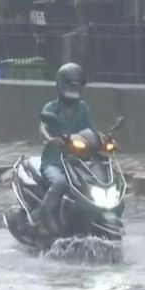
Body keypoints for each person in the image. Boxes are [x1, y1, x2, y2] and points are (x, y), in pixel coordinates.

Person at [33, 62, 94, 233]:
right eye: (69, 85)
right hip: (53, 161)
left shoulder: (83, 108)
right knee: (60, 183)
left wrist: (103, 140)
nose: (73, 89)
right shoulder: (51, 108)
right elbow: (42, 127)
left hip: (77, 160)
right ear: (60, 85)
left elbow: (91, 130)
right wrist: (50, 138)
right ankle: (47, 213)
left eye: (76, 86)